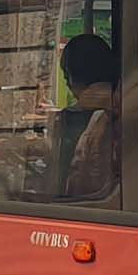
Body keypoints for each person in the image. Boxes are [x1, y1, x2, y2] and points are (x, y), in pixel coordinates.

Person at [51, 33, 119, 198]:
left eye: (67, 76)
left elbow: (64, 182)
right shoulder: (122, 106)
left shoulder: (73, 119)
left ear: (70, 77)